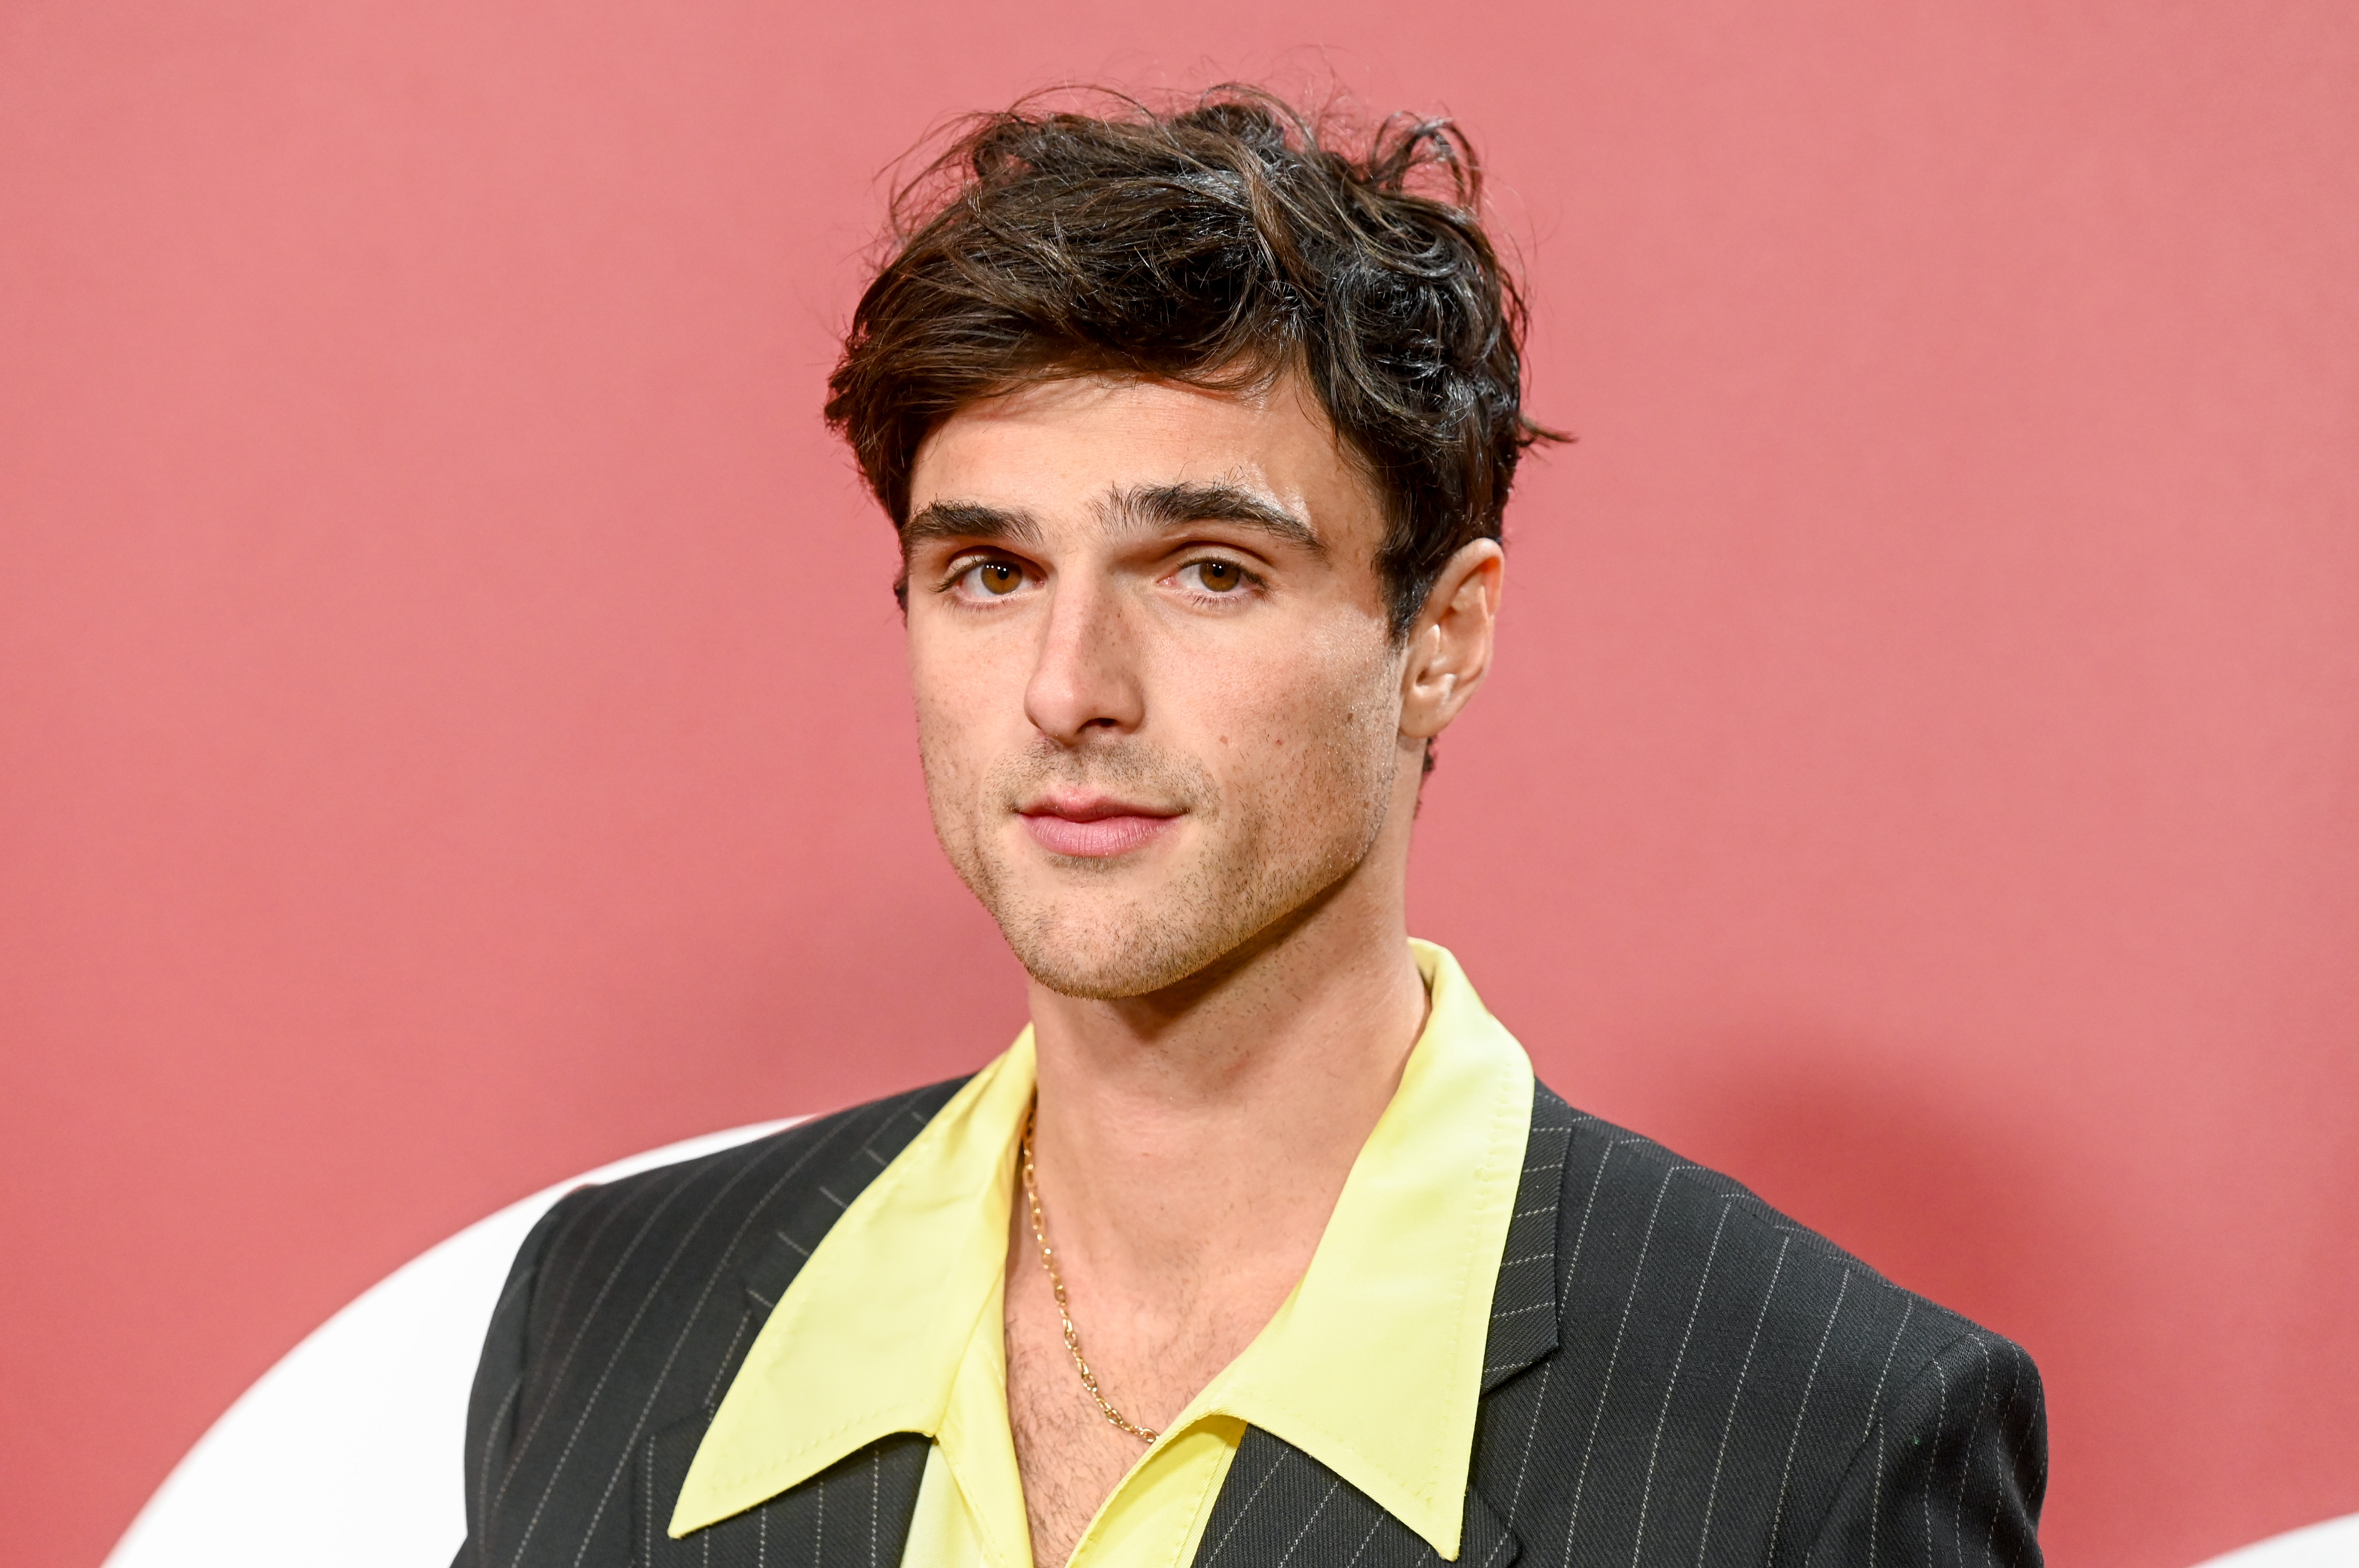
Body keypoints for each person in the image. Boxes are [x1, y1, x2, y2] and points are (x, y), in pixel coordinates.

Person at [454, 88, 2045, 1568]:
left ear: (1440, 638)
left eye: (1208, 568)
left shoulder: (1822, 1434)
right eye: (991, 572)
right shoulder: (607, 1306)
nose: (1068, 688)